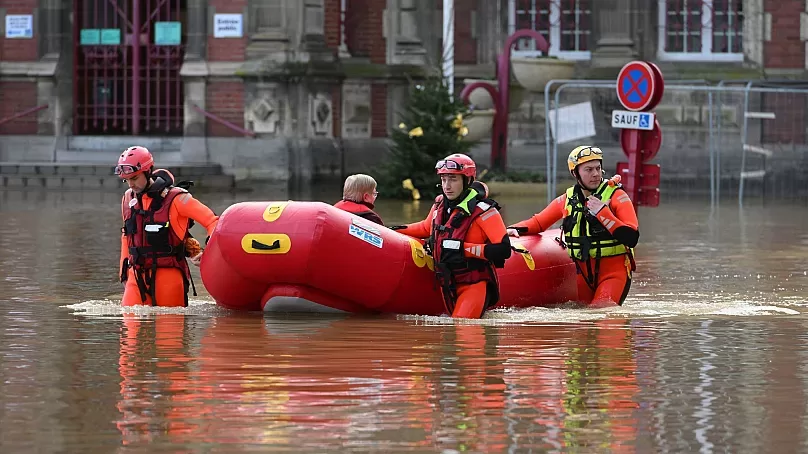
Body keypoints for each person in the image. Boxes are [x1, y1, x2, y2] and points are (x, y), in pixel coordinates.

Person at [507, 145, 639, 308]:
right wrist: (512, 229)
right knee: (584, 326)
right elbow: (538, 223)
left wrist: (603, 213)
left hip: (614, 272)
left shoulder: (617, 196)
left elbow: (632, 237)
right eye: (589, 170)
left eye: (598, 168)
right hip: (583, 275)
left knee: (600, 315)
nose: (595, 174)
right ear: (575, 173)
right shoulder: (567, 199)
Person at [390, 153, 512, 319]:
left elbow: (503, 250)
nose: (447, 186)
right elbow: (425, 228)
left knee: (460, 331)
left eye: (453, 180)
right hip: (446, 284)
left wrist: (463, 249)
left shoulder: (485, 211)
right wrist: (390, 230)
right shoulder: (440, 204)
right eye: (443, 180)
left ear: (467, 181)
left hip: (473, 285)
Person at [116, 146, 220, 307]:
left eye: (135, 178)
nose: (130, 184)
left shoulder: (177, 198)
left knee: (170, 329)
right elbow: (126, 236)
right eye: (126, 179)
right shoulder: (127, 199)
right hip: (136, 275)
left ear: (148, 171)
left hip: (169, 274)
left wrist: (209, 254)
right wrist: (123, 274)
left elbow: (213, 222)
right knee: (128, 326)